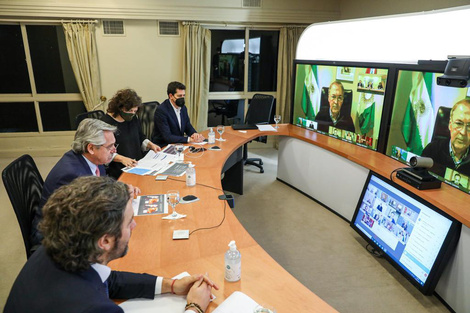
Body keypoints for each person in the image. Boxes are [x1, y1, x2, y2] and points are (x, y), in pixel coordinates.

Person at [5, 176, 217, 313]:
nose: (134, 225)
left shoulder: (51, 248)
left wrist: (172, 285)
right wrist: (195, 306)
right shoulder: (94, 308)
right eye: (129, 221)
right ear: (105, 241)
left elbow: (109, 279)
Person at [31, 118, 140, 250]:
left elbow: (101, 188)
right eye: (109, 146)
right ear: (91, 148)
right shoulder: (72, 175)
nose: (114, 151)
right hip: (56, 235)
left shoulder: (92, 159)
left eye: (114, 145)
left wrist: (121, 190)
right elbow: (90, 217)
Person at [101, 88, 161, 179]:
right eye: (129, 111)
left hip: (137, 164)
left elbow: (140, 136)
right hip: (119, 169)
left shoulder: (133, 118)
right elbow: (104, 151)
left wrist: (150, 144)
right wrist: (122, 159)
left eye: (134, 111)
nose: (132, 114)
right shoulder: (105, 123)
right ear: (120, 107)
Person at [422, 99, 470, 177]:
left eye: (469, 126)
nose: (463, 132)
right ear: (450, 125)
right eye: (459, 123)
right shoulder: (432, 150)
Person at [152, 81, 204, 147]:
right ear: (171, 96)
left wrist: (194, 134)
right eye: (179, 96)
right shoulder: (161, 110)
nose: (182, 98)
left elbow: (187, 125)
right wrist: (189, 139)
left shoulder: (183, 108)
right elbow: (167, 137)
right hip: (163, 146)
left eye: (183, 95)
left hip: (178, 144)